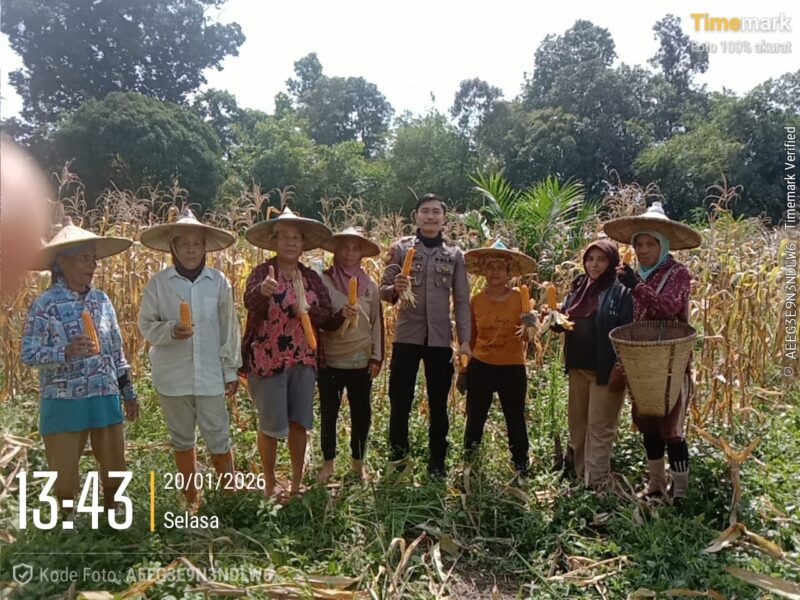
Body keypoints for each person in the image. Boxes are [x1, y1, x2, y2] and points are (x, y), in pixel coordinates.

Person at [21, 219, 139, 517]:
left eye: (93, 259)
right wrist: (65, 352)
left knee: (114, 462)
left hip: (104, 393)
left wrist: (128, 391)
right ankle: (67, 519)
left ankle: (114, 512)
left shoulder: (102, 301)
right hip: (64, 399)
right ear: (62, 263)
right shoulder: (46, 304)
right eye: (84, 259)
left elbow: (116, 350)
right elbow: (29, 353)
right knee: (63, 468)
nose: (92, 266)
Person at [138, 207, 242, 506]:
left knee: (218, 435)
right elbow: (146, 325)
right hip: (173, 376)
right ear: (173, 247)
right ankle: (191, 498)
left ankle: (229, 497)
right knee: (182, 438)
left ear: (205, 247)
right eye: (183, 244)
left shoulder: (218, 282)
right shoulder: (159, 283)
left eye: (196, 243)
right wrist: (171, 330)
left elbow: (229, 329)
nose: (190, 249)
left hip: (211, 374)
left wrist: (231, 370)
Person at [604, 202, 702, 501]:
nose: (644, 250)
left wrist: (635, 285)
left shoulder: (678, 273)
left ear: (663, 246)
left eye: (651, 244)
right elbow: (632, 319)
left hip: (670, 360)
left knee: (671, 428)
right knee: (648, 424)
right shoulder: (637, 274)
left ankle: (680, 490)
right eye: (639, 244)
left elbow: (669, 308)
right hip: (642, 360)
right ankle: (656, 483)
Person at [242, 207, 335, 498]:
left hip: (303, 359)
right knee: (270, 425)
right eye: (284, 237)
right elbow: (249, 303)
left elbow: (326, 314)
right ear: (275, 241)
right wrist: (263, 291)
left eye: (296, 237)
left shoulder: (311, 278)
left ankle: (296, 483)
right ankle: (269, 482)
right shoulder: (262, 272)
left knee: (299, 422)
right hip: (268, 358)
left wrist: (307, 310)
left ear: (303, 243)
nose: (291, 242)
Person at [380, 193, 471, 478]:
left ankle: (437, 461)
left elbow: (462, 300)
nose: (430, 216)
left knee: (438, 402)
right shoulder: (400, 248)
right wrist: (394, 289)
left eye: (436, 212)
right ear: (416, 216)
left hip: (440, 339)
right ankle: (398, 458)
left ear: (444, 218)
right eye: (425, 211)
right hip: (407, 336)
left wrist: (465, 340)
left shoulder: (454, 254)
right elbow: (383, 291)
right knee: (400, 399)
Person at [554, 239, 633, 488]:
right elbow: (566, 317)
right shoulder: (579, 286)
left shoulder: (621, 291)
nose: (594, 265)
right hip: (578, 366)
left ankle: (595, 484)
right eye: (590, 259)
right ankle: (580, 477)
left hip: (605, 369)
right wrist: (553, 320)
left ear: (612, 262)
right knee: (578, 426)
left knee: (600, 428)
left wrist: (620, 367)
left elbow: (627, 332)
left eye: (601, 259)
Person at [316, 227, 385, 483]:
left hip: (361, 360)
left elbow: (377, 323)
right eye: (344, 247)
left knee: (361, 414)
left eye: (355, 249)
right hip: (331, 359)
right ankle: (328, 463)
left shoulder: (370, 286)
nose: (349, 253)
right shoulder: (323, 281)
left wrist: (377, 357)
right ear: (335, 251)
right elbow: (317, 318)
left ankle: (358, 463)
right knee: (329, 412)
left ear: (361, 254)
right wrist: (338, 316)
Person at [462, 241, 535, 476]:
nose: (495, 272)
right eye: (490, 267)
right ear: (483, 270)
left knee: (515, 417)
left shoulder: (520, 299)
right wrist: (464, 370)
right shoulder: (476, 301)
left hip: (512, 367)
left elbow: (528, 338)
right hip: (481, 365)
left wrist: (531, 324)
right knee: (475, 417)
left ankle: (521, 462)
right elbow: (470, 337)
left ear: (508, 272)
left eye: (500, 267)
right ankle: (470, 460)